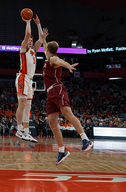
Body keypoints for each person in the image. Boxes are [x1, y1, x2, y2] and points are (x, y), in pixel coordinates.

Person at [41, 29, 93, 165]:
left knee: (67, 114)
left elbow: (61, 61)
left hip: (57, 89)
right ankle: (62, 150)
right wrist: (43, 38)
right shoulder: (49, 56)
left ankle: (85, 139)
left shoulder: (53, 58)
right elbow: (46, 47)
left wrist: (68, 65)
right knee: (52, 122)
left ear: (49, 51)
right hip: (50, 94)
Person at [15, 14, 44, 143]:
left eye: (32, 41)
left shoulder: (33, 51)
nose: (31, 42)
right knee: (21, 104)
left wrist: (38, 24)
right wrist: (28, 22)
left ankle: (27, 132)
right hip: (22, 77)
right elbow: (27, 35)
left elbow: (42, 39)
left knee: (28, 107)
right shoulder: (23, 49)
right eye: (30, 41)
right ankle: (19, 129)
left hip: (30, 80)